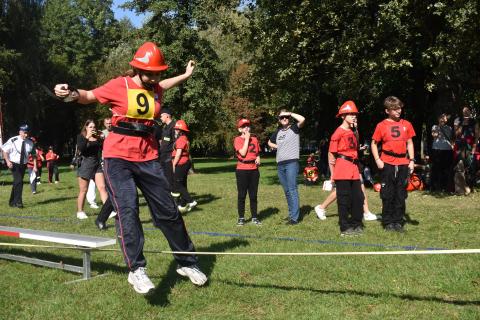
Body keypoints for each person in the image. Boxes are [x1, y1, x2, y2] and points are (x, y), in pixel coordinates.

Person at [54, 41, 207, 294]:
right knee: (128, 210)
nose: (156, 77)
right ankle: (137, 270)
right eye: (152, 73)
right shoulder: (119, 85)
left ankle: (187, 262)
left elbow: (165, 84)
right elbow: (89, 96)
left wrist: (186, 75)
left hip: (148, 157)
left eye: (159, 73)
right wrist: (69, 92)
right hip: (118, 158)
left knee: (168, 211)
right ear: (137, 69)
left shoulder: (156, 87)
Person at [371, 96, 415, 232]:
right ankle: (388, 221)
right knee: (387, 193)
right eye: (395, 109)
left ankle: (398, 221)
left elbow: (409, 143)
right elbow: (373, 144)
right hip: (387, 163)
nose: (398, 111)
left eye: (400, 108)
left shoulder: (406, 124)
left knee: (400, 193)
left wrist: (412, 161)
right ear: (387, 111)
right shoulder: (381, 125)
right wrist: (378, 160)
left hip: (403, 163)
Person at [327, 101, 364, 236]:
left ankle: (357, 223)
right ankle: (345, 227)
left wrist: (356, 130)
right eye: (350, 114)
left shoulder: (353, 131)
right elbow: (331, 154)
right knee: (344, 198)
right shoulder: (338, 132)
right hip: (342, 167)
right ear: (343, 116)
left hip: (353, 167)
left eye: (354, 114)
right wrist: (332, 174)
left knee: (358, 197)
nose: (354, 116)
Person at [267, 110, 305, 225]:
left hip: (291, 163)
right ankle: (291, 214)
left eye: (286, 117)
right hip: (280, 164)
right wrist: (278, 146)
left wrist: (290, 113)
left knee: (292, 189)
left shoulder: (294, 128)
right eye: (282, 117)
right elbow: (269, 142)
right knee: (287, 191)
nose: (284, 119)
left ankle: (294, 218)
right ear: (279, 120)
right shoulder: (278, 132)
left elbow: (302, 119)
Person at [75, 120, 108, 219]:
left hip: (97, 164)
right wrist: (87, 137)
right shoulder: (81, 136)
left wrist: (102, 139)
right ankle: (80, 212)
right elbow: (81, 149)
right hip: (86, 164)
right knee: (83, 190)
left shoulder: (97, 137)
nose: (93, 128)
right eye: (90, 127)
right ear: (86, 127)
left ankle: (107, 211)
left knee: (102, 187)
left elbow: (102, 148)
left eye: (94, 127)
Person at [1, 124, 37, 208]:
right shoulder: (13, 140)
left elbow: (34, 155)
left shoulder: (30, 142)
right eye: (24, 133)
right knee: (19, 182)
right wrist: (7, 161)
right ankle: (18, 202)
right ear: (20, 132)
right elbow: (4, 150)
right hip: (13, 164)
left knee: (16, 183)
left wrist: (35, 166)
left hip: (23, 165)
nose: (26, 135)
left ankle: (11, 202)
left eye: (27, 133)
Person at [234, 118, 261, 226]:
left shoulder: (254, 139)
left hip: (254, 170)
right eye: (244, 126)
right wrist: (246, 139)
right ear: (240, 129)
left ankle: (254, 217)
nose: (247, 128)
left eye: (248, 126)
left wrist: (258, 157)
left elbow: (257, 152)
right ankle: (241, 218)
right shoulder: (238, 139)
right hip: (242, 170)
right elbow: (243, 153)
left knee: (253, 195)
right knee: (242, 195)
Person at [172, 119, 197, 213]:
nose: (175, 130)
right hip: (184, 163)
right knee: (182, 184)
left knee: (178, 184)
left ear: (180, 131)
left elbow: (178, 154)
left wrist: (174, 164)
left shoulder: (181, 139)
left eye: (177, 129)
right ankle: (183, 204)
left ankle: (191, 201)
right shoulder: (184, 138)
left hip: (181, 163)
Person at [453, 106, 478, 194]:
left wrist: (474, 147)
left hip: (470, 145)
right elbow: (456, 134)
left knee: (470, 166)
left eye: (467, 111)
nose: (466, 112)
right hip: (460, 145)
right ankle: (460, 188)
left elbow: (477, 135)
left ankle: (470, 187)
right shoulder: (458, 120)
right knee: (459, 165)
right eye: (464, 111)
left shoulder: (474, 121)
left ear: (470, 112)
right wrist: (462, 124)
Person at [430, 113, 453, 192]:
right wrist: (439, 126)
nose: (443, 119)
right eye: (441, 117)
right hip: (437, 149)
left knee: (446, 169)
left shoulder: (449, 128)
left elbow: (450, 137)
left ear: (446, 119)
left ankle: (445, 186)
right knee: (436, 168)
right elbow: (434, 135)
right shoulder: (435, 126)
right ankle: (434, 186)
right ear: (438, 119)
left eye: (444, 117)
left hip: (447, 150)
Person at [155, 108, 176, 191]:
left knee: (170, 179)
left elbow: (176, 143)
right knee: (163, 179)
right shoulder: (164, 127)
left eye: (161, 116)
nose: (160, 118)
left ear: (167, 116)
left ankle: (174, 199)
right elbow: (162, 140)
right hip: (162, 156)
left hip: (169, 157)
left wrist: (174, 158)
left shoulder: (174, 126)